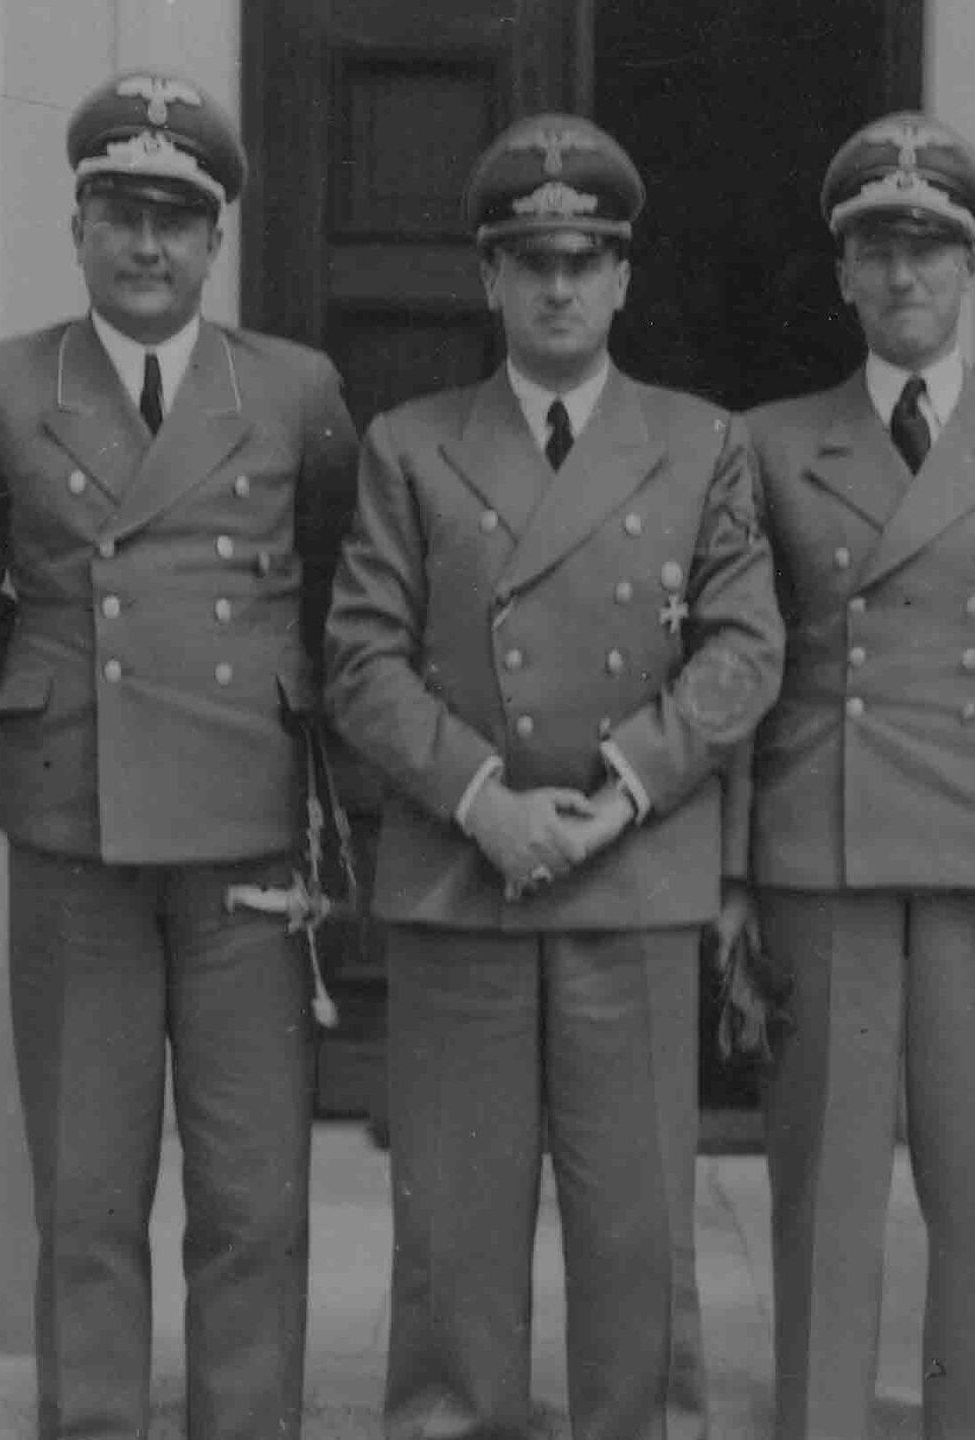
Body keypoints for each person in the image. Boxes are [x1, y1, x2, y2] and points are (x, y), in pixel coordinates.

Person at [0, 71, 358, 1440]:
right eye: (122, 213)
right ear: (80, 227)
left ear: (216, 237)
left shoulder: (293, 389)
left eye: (178, 217)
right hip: (78, 839)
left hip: (241, 840)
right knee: (89, 1195)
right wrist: (48, 697)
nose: (149, 245)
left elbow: (337, 586)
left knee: (251, 1193)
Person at [323, 112, 783, 1440]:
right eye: (533, 263)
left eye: (586, 261)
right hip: (467, 878)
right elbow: (362, 659)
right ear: (489, 280)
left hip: (627, 876)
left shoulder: (703, 444)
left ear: (624, 278)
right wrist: (485, 801)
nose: (561, 287)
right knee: (456, 1236)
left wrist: (623, 788)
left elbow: (748, 648)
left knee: (637, 1232)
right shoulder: (412, 445)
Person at [726, 111, 975, 1440]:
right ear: (842, 273)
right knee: (826, 1188)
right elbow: (740, 671)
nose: (907, 280)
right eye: (879, 252)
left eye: (934, 252)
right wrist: (735, 872)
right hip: (824, 845)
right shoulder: (770, 443)